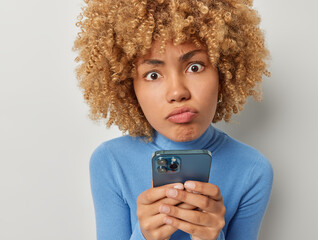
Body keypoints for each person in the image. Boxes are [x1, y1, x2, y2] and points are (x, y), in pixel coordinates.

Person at [73, 0, 273, 239]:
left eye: (195, 67)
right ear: (128, 87)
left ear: (223, 70)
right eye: (153, 74)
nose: (178, 92)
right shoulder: (110, 162)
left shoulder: (253, 169)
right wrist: (144, 235)